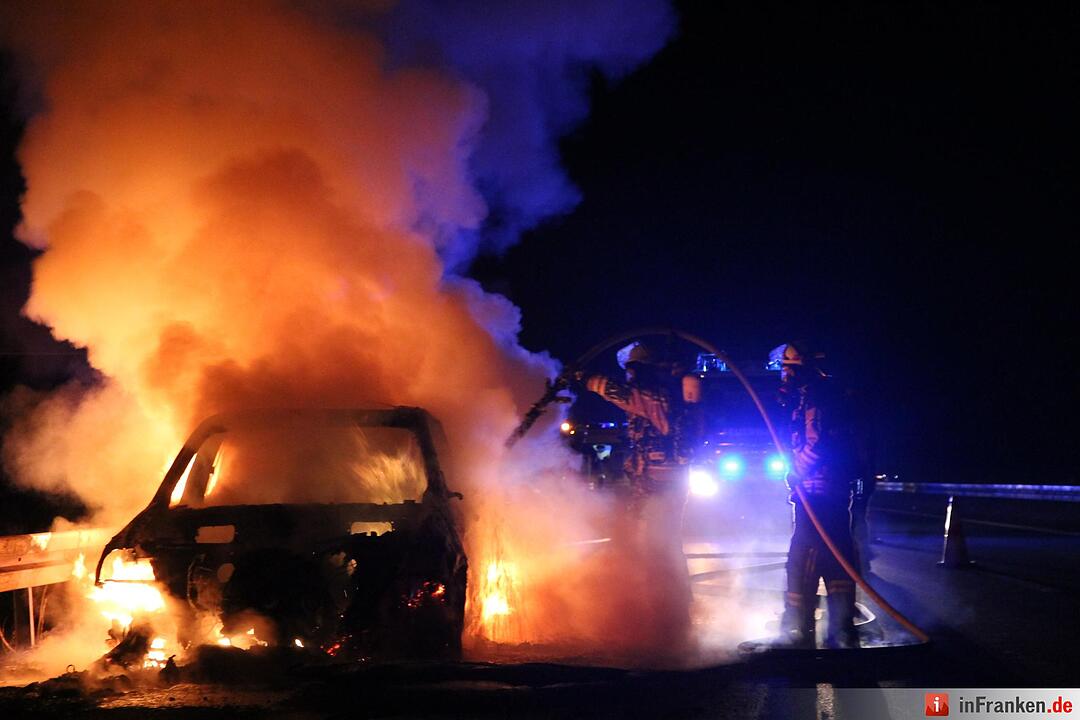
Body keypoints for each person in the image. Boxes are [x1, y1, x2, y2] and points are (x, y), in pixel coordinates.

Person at [577, 342, 702, 644]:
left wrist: (586, 379)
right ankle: (668, 615)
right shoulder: (661, 395)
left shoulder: (653, 397)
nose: (630, 376)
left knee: (658, 548)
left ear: (642, 370)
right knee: (659, 546)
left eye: (633, 370)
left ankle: (669, 620)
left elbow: (621, 394)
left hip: (660, 486)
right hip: (658, 483)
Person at [770, 341, 860, 649]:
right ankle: (842, 629)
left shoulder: (816, 398)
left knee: (802, 560)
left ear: (797, 370)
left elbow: (818, 443)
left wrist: (798, 472)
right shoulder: (818, 394)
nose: (782, 377)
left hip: (818, 492)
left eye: (786, 370)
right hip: (830, 491)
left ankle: (797, 630)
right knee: (837, 559)